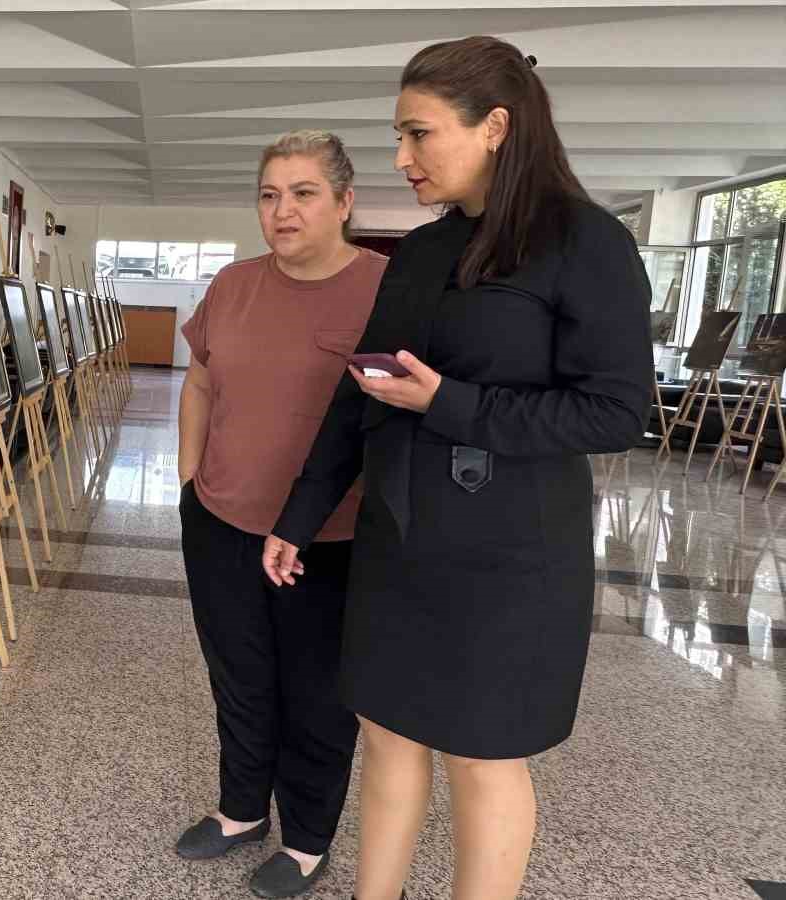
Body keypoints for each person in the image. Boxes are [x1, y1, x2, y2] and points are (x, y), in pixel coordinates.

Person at [262, 36, 653, 900]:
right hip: (400, 538)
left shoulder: (586, 243)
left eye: (419, 134)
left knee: (483, 760)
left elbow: (617, 411)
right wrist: (300, 513)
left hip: (510, 553)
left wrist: (452, 404)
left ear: (496, 127)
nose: (401, 158)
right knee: (389, 739)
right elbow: (363, 389)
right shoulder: (426, 250)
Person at [175, 130, 389, 898]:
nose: (282, 211)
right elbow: (199, 381)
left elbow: (391, 421)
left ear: (344, 201)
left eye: (303, 193)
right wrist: (189, 475)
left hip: (327, 540)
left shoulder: (383, 290)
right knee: (238, 674)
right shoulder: (233, 286)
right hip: (221, 522)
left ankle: (304, 839)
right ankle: (239, 811)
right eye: (269, 195)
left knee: (317, 695)